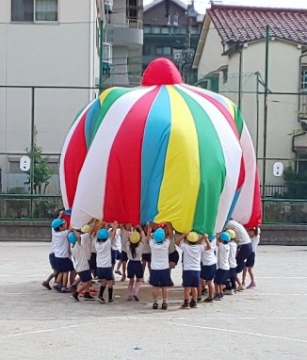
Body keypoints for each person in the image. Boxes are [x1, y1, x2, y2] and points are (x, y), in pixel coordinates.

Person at [175, 231, 205, 309]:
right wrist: (204, 238)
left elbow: (176, 242)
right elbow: (208, 247)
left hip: (187, 270)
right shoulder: (199, 247)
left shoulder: (185, 246)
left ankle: (186, 302)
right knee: (194, 287)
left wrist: (183, 234)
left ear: (187, 240)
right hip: (197, 270)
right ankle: (194, 301)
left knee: (186, 287)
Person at [148, 223, 172, 310]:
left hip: (154, 268)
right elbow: (170, 235)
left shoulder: (152, 245)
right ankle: (165, 302)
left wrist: (149, 228)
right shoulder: (165, 244)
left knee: (155, 286)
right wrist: (169, 225)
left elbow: (149, 237)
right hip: (164, 268)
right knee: (164, 287)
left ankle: (155, 302)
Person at [225, 219, 253, 290]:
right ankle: (239, 284)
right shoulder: (235, 223)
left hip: (243, 245)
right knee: (234, 266)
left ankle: (232, 286)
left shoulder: (227, 224)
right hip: (248, 244)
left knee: (233, 267)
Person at [69, 230, 95, 302]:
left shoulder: (72, 246)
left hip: (79, 267)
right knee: (87, 282)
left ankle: (87, 293)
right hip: (83, 267)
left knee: (86, 280)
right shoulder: (78, 245)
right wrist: (74, 229)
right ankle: (76, 293)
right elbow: (78, 237)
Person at [95, 222, 118, 303]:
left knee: (103, 281)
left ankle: (100, 295)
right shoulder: (107, 243)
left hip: (99, 266)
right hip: (107, 266)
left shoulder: (96, 243)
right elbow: (113, 235)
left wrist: (100, 224)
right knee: (109, 282)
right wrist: (115, 227)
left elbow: (97, 234)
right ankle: (110, 298)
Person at [52, 217, 75, 293]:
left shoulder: (55, 233)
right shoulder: (63, 234)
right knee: (66, 271)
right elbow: (71, 229)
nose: (64, 226)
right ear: (60, 227)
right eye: (63, 225)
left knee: (61, 271)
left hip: (57, 256)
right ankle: (64, 287)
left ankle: (57, 283)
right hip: (64, 256)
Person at [126, 226, 146, 301]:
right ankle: (135, 293)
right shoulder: (140, 246)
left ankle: (129, 294)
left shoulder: (128, 245)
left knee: (131, 280)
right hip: (138, 263)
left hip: (130, 263)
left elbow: (128, 238)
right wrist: (140, 229)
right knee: (138, 279)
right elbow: (143, 238)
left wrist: (131, 231)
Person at [214, 232, 231, 301]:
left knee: (216, 282)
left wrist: (215, 234)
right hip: (226, 267)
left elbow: (216, 242)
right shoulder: (228, 246)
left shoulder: (222, 246)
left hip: (222, 268)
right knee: (220, 282)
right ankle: (220, 293)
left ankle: (218, 294)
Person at [200, 234, 217, 303]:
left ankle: (199, 295)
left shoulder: (204, 246)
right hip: (213, 263)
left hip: (207, 265)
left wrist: (203, 238)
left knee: (202, 280)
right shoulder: (214, 242)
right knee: (210, 281)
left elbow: (206, 246)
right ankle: (211, 296)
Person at [225, 229, 237, 295]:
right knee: (233, 277)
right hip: (233, 263)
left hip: (229, 263)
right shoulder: (234, 244)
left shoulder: (229, 245)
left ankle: (229, 289)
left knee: (227, 277)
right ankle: (234, 287)